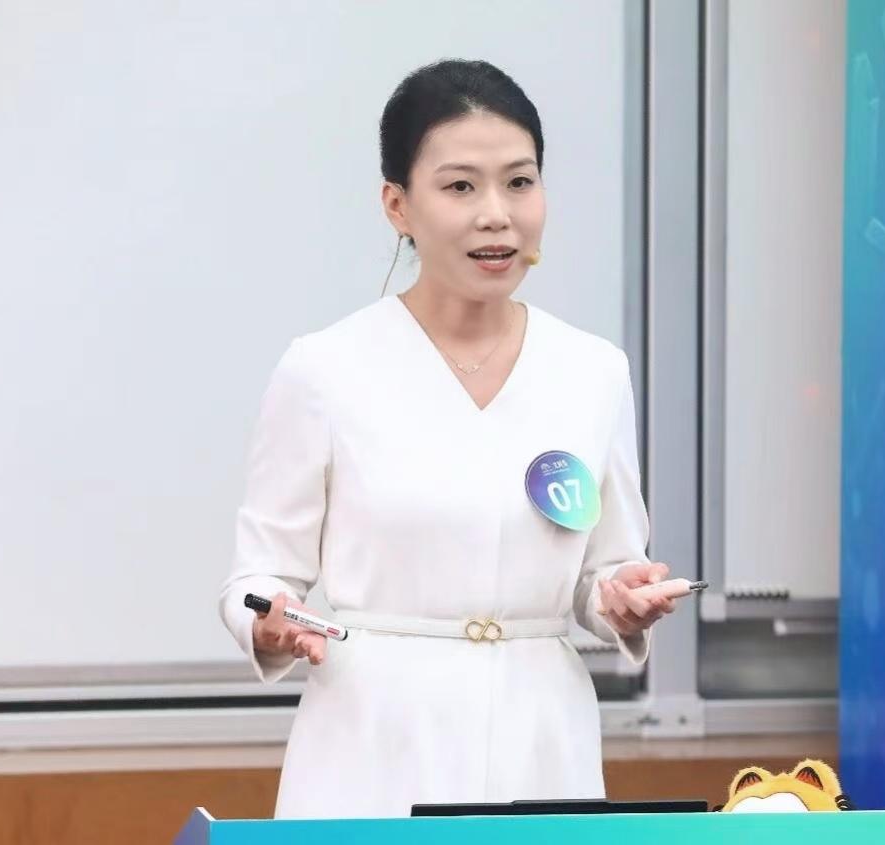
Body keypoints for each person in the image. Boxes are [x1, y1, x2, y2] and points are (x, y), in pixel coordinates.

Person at [219, 58, 677, 820]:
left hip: (542, 737)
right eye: (460, 186)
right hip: (375, 738)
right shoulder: (325, 368)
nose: (497, 215)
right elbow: (258, 576)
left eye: (520, 182)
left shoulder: (593, 370)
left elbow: (605, 569)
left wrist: (622, 598)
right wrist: (268, 619)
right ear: (398, 205)